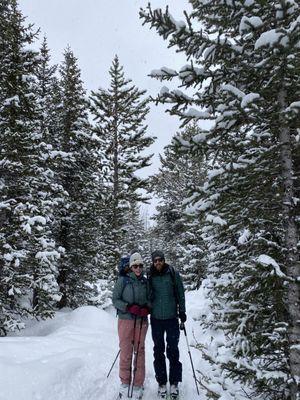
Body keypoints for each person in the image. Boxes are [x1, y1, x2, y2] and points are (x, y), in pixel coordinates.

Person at [148, 250, 186, 400]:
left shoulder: (172, 273)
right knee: (158, 351)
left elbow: (180, 293)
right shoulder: (150, 275)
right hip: (156, 318)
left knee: (173, 350)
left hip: (171, 318)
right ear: (153, 261)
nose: (158, 262)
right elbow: (147, 294)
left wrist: (182, 311)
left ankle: (174, 382)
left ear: (163, 260)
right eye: (155, 260)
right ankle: (162, 382)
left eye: (160, 260)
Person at [112, 252, 150, 400]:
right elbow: (115, 299)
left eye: (140, 265)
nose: (138, 268)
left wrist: (147, 308)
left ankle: (138, 384)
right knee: (126, 350)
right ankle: (125, 383)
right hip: (125, 320)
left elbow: (150, 299)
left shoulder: (145, 282)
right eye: (135, 265)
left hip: (141, 321)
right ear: (130, 266)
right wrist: (128, 307)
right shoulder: (123, 280)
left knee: (139, 351)